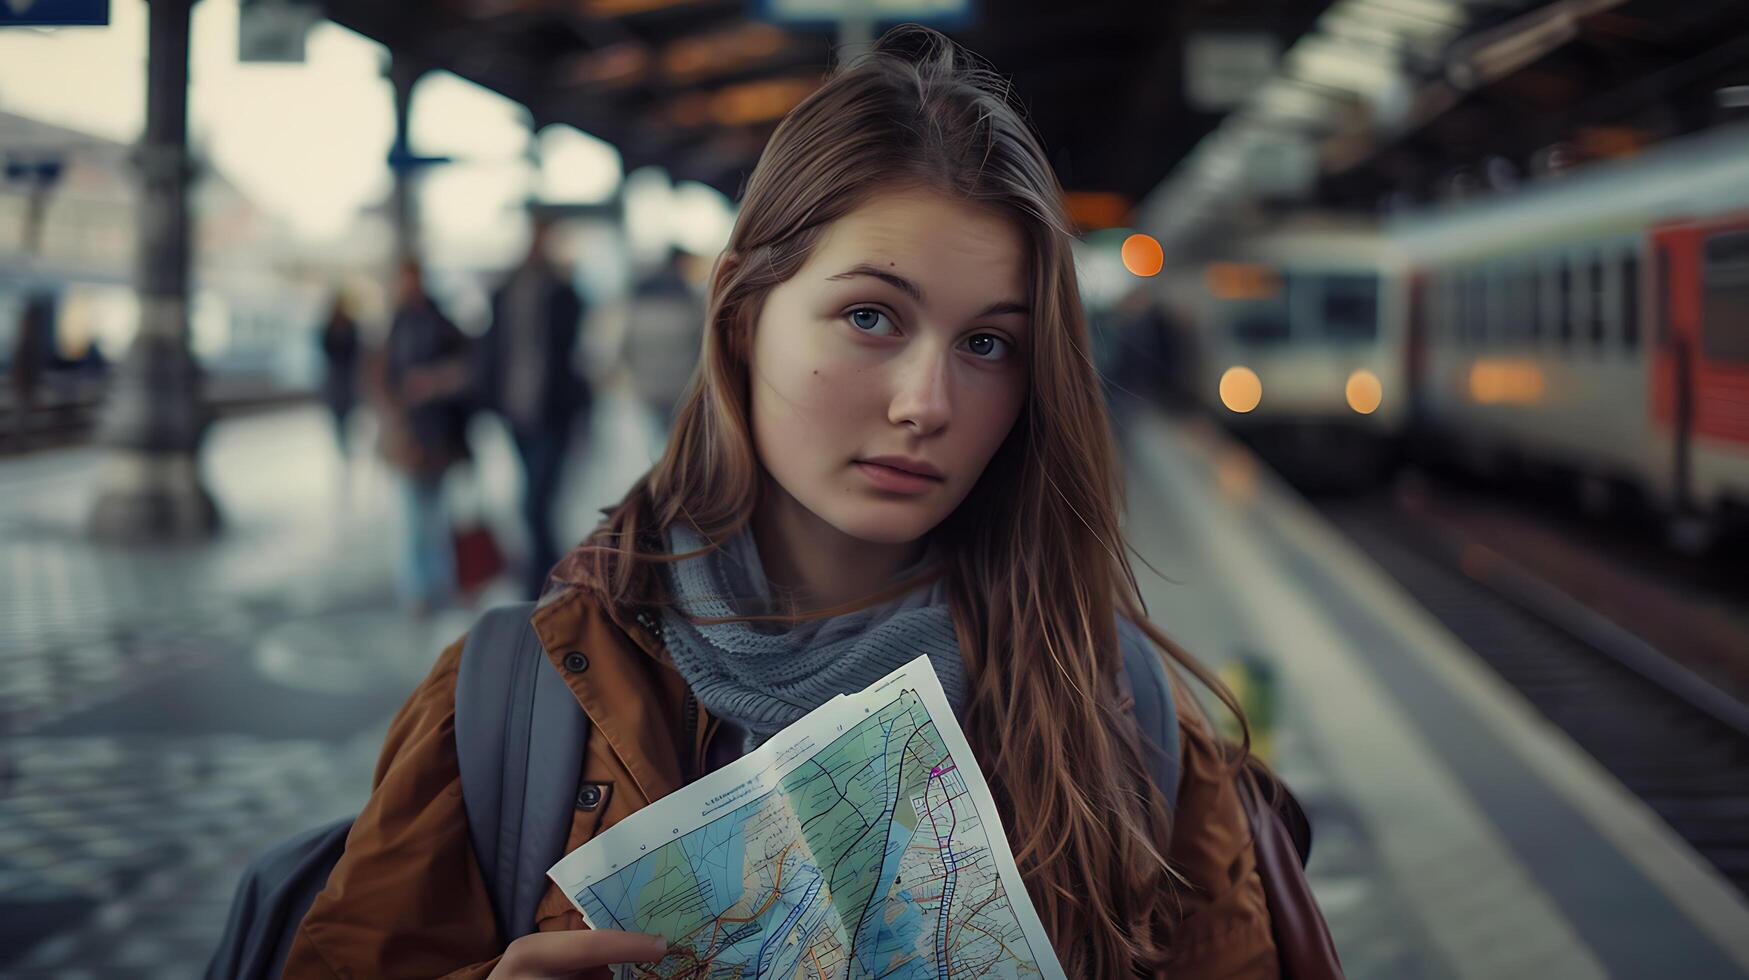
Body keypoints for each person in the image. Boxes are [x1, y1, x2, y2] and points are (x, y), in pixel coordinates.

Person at [287, 26, 1276, 979]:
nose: (926, 403)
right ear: (744, 312)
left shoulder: (1121, 708)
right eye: (870, 315)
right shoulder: (519, 701)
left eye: (988, 344)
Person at [476, 215, 588, 600]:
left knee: (535, 501)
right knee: (533, 496)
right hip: (516, 410)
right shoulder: (507, 290)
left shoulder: (563, 291)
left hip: (552, 411)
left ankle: (544, 576)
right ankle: (550, 572)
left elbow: (573, 351)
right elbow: (492, 348)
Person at [374, 259, 473, 616]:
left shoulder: (440, 324)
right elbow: (382, 377)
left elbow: (466, 370)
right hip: (407, 436)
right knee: (414, 517)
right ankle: (419, 589)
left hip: (438, 436)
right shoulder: (395, 325)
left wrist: (432, 382)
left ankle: (439, 584)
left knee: (434, 515)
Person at [622, 245, 705, 433]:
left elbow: (626, 344)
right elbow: (699, 345)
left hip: (646, 384)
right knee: (674, 436)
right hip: (679, 385)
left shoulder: (641, 295)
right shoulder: (690, 300)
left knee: (654, 435)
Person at [317, 292, 363, 460]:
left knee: (349, 420)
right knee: (338, 422)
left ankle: (347, 449)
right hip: (336, 385)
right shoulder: (329, 327)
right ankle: (343, 450)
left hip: (347, 384)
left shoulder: (350, 326)